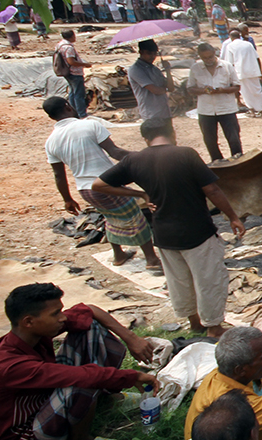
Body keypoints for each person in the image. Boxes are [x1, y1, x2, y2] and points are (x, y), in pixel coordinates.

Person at [94, 118, 245, 338]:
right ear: (172, 133)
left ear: (146, 138)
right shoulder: (185, 154)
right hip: (197, 231)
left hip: (163, 232)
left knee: (178, 280)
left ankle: (194, 323)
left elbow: (99, 185)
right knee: (208, 279)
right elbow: (211, 190)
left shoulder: (134, 160)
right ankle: (214, 327)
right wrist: (232, 216)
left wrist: (140, 194)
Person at [0, 283, 159, 440]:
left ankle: (104, 399)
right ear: (28, 321)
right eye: (55, 313)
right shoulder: (8, 364)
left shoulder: (32, 334)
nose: (62, 317)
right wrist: (131, 376)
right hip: (25, 434)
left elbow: (89, 310)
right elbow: (81, 376)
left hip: (43, 397)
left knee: (89, 327)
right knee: (83, 380)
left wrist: (131, 338)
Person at [44, 97, 159, 268]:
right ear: (68, 107)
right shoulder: (89, 125)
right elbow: (115, 152)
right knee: (135, 217)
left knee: (110, 218)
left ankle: (119, 255)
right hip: (105, 184)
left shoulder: (51, 141)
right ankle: (151, 259)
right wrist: (143, 158)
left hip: (85, 189)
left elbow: (58, 175)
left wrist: (67, 199)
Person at [188, 43, 243, 162]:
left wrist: (222, 90)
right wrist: (204, 90)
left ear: (214, 54)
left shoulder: (226, 66)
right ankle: (217, 161)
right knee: (210, 140)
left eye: (210, 57)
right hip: (206, 110)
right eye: (205, 58)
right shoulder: (195, 68)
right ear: (200, 57)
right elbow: (190, 89)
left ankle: (238, 161)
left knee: (233, 138)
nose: (208, 60)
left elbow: (237, 86)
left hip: (226, 108)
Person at [127, 39, 173, 125]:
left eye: (154, 54)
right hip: (151, 114)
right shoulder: (135, 70)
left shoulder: (155, 69)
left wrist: (168, 71)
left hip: (165, 112)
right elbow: (155, 90)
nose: (152, 56)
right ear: (141, 52)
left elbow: (171, 88)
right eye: (149, 53)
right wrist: (164, 89)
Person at [225, 25, 262, 115]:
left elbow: (230, 63)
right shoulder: (248, 44)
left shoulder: (230, 46)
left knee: (245, 92)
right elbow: (257, 58)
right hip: (253, 70)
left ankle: (252, 109)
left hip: (240, 72)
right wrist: (260, 71)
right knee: (257, 90)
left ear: (231, 38)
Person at [52, 29, 91, 118]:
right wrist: (84, 64)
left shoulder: (59, 45)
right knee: (79, 94)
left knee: (72, 92)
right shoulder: (68, 48)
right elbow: (71, 61)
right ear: (72, 36)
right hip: (74, 72)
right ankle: (81, 113)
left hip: (66, 72)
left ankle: (74, 111)